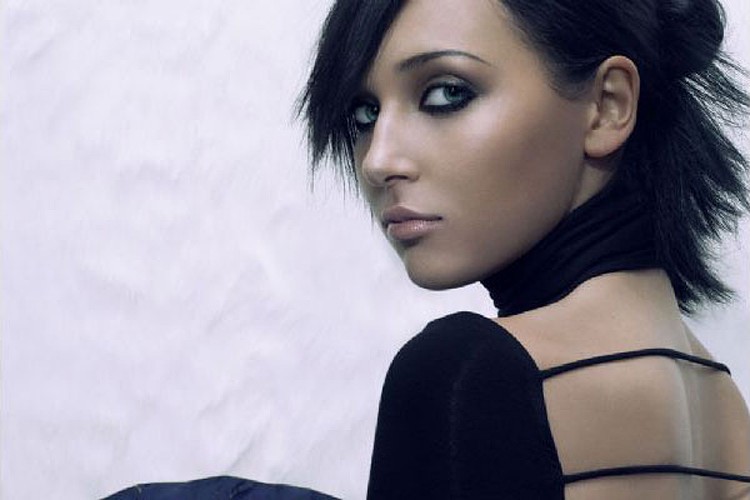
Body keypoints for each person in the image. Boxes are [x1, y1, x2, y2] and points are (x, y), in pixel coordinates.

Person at [297, 0, 750, 498]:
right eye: (364, 113)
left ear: (607, 106)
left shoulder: (467, 375)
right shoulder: (724, 403)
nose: (378, 161)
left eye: (446, 93)